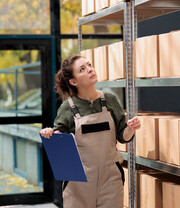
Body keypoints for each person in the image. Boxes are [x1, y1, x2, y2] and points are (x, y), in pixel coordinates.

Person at [40, 54, 140, 208]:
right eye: (82, 69)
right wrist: (49, 133)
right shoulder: (68, 107)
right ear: (74, 81)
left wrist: (131, 128)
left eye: (89, 65)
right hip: (79, 180)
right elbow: (59, 138)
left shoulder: (110, 99)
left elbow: (123, 136)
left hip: (110, 178)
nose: (90, 70)